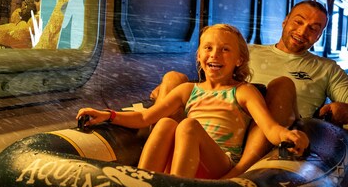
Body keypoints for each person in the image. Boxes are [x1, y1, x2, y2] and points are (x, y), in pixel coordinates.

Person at [152, 0, 348, 178]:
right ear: (285, 21)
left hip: (271, 132)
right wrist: (170, 90)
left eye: (314, 28)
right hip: (220, 129)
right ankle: (147, 158)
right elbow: (209, 84)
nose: (303, 32)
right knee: (173, 78)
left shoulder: (326, 69)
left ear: (320, 35)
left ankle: (242, 171)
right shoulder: (245, 52)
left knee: (281, 85)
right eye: (298, 21)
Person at [77, 24, 309, 179]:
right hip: (185, 160)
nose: (215, 55)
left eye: (225, 50)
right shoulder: (189, 90)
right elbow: (145, 117)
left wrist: (287, 136)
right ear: (199, 55)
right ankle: (142, 184)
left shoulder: (243, 91)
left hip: (219, 162)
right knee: (166, 123)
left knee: (187, 125)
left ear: (239, 60)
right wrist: (108, 115)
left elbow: (269, 127)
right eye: (208, 48)